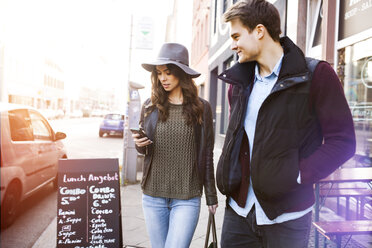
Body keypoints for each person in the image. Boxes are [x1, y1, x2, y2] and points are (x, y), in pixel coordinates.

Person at [216, 1, 356, 247]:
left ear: (259, 31)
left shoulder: (317, 75)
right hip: (238, 213)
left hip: (289, 218)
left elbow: (342, 142)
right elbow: (241, 141)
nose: (233, 44)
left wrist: (299, 174)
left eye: (237, 35)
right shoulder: (238, 83)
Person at [133, 42, 218, 248]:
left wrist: (211, 195)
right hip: (153, 196)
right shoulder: (150, 106)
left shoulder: (201, 108)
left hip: (187, 198)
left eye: (168, 72)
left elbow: (207, 153)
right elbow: (146, 150)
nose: (163, 78)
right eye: (159, 73)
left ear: (181, 73)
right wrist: (139, 144)